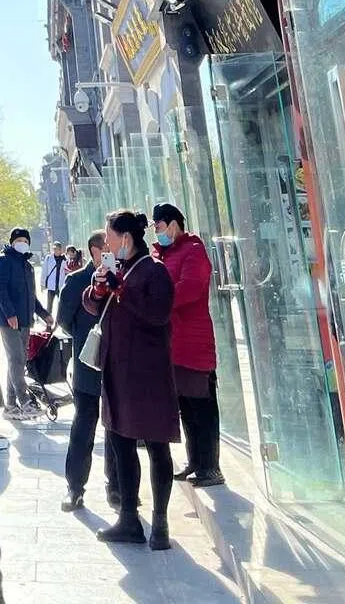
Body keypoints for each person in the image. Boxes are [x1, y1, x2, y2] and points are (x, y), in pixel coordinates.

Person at [82, 209, 178, 550]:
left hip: (148, 373)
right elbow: (92, 307)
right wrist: (98, 287)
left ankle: (161, 521)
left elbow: (158, 313)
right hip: (117, 371)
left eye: (110, 237)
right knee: (121, 445)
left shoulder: (154, 271)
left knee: (156, 446)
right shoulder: (117, 269)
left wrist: (123, 290)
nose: (106, 243)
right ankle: (128, 518)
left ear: (126, 238)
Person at [153, 202, 223, 487]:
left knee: (201, 404)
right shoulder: (163, 255)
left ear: (172, 225)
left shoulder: (193, 250)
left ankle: (211, 466)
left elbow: (191, 288)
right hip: (172, 342)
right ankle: (195, 461)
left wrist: (160, 302)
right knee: (185, 405)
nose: (157, 233)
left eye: (158, 228)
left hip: (193, 342)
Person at [57, 231, 117, 510]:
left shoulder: (122, 278)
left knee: (118, 427)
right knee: (84, 423)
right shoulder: (77, 280)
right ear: (95, 251)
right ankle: (75, 486)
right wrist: (86, 339)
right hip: (87, 364)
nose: (111, 251)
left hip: (117, 363)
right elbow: (64, 321)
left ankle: (116, 486)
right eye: (106, 247)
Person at [0, 227, 52, 420]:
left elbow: (31, 296)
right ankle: (25, 402)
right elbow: (0, 289)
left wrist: (44, 314)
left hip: (25, 320)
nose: (22, 244)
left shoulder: (27, 266)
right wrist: (9, 313)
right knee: (16, 359)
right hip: (8, 321)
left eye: (25, 241)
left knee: (16, 362)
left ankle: (10, 405)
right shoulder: (2, 261)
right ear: (11, 242)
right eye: (18, 240)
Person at [41, 240, 68, 313]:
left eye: (57, 249)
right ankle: (49, 322)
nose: (55, 250)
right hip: (51, 286)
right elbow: (44, 271)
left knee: (61, 306)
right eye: (54, 249)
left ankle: (58, 322)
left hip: (60, 286)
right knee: (49, 306)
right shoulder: (48, 258)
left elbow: (67, 273)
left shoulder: (65, 259)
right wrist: (42, 284)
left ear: (61, 250)